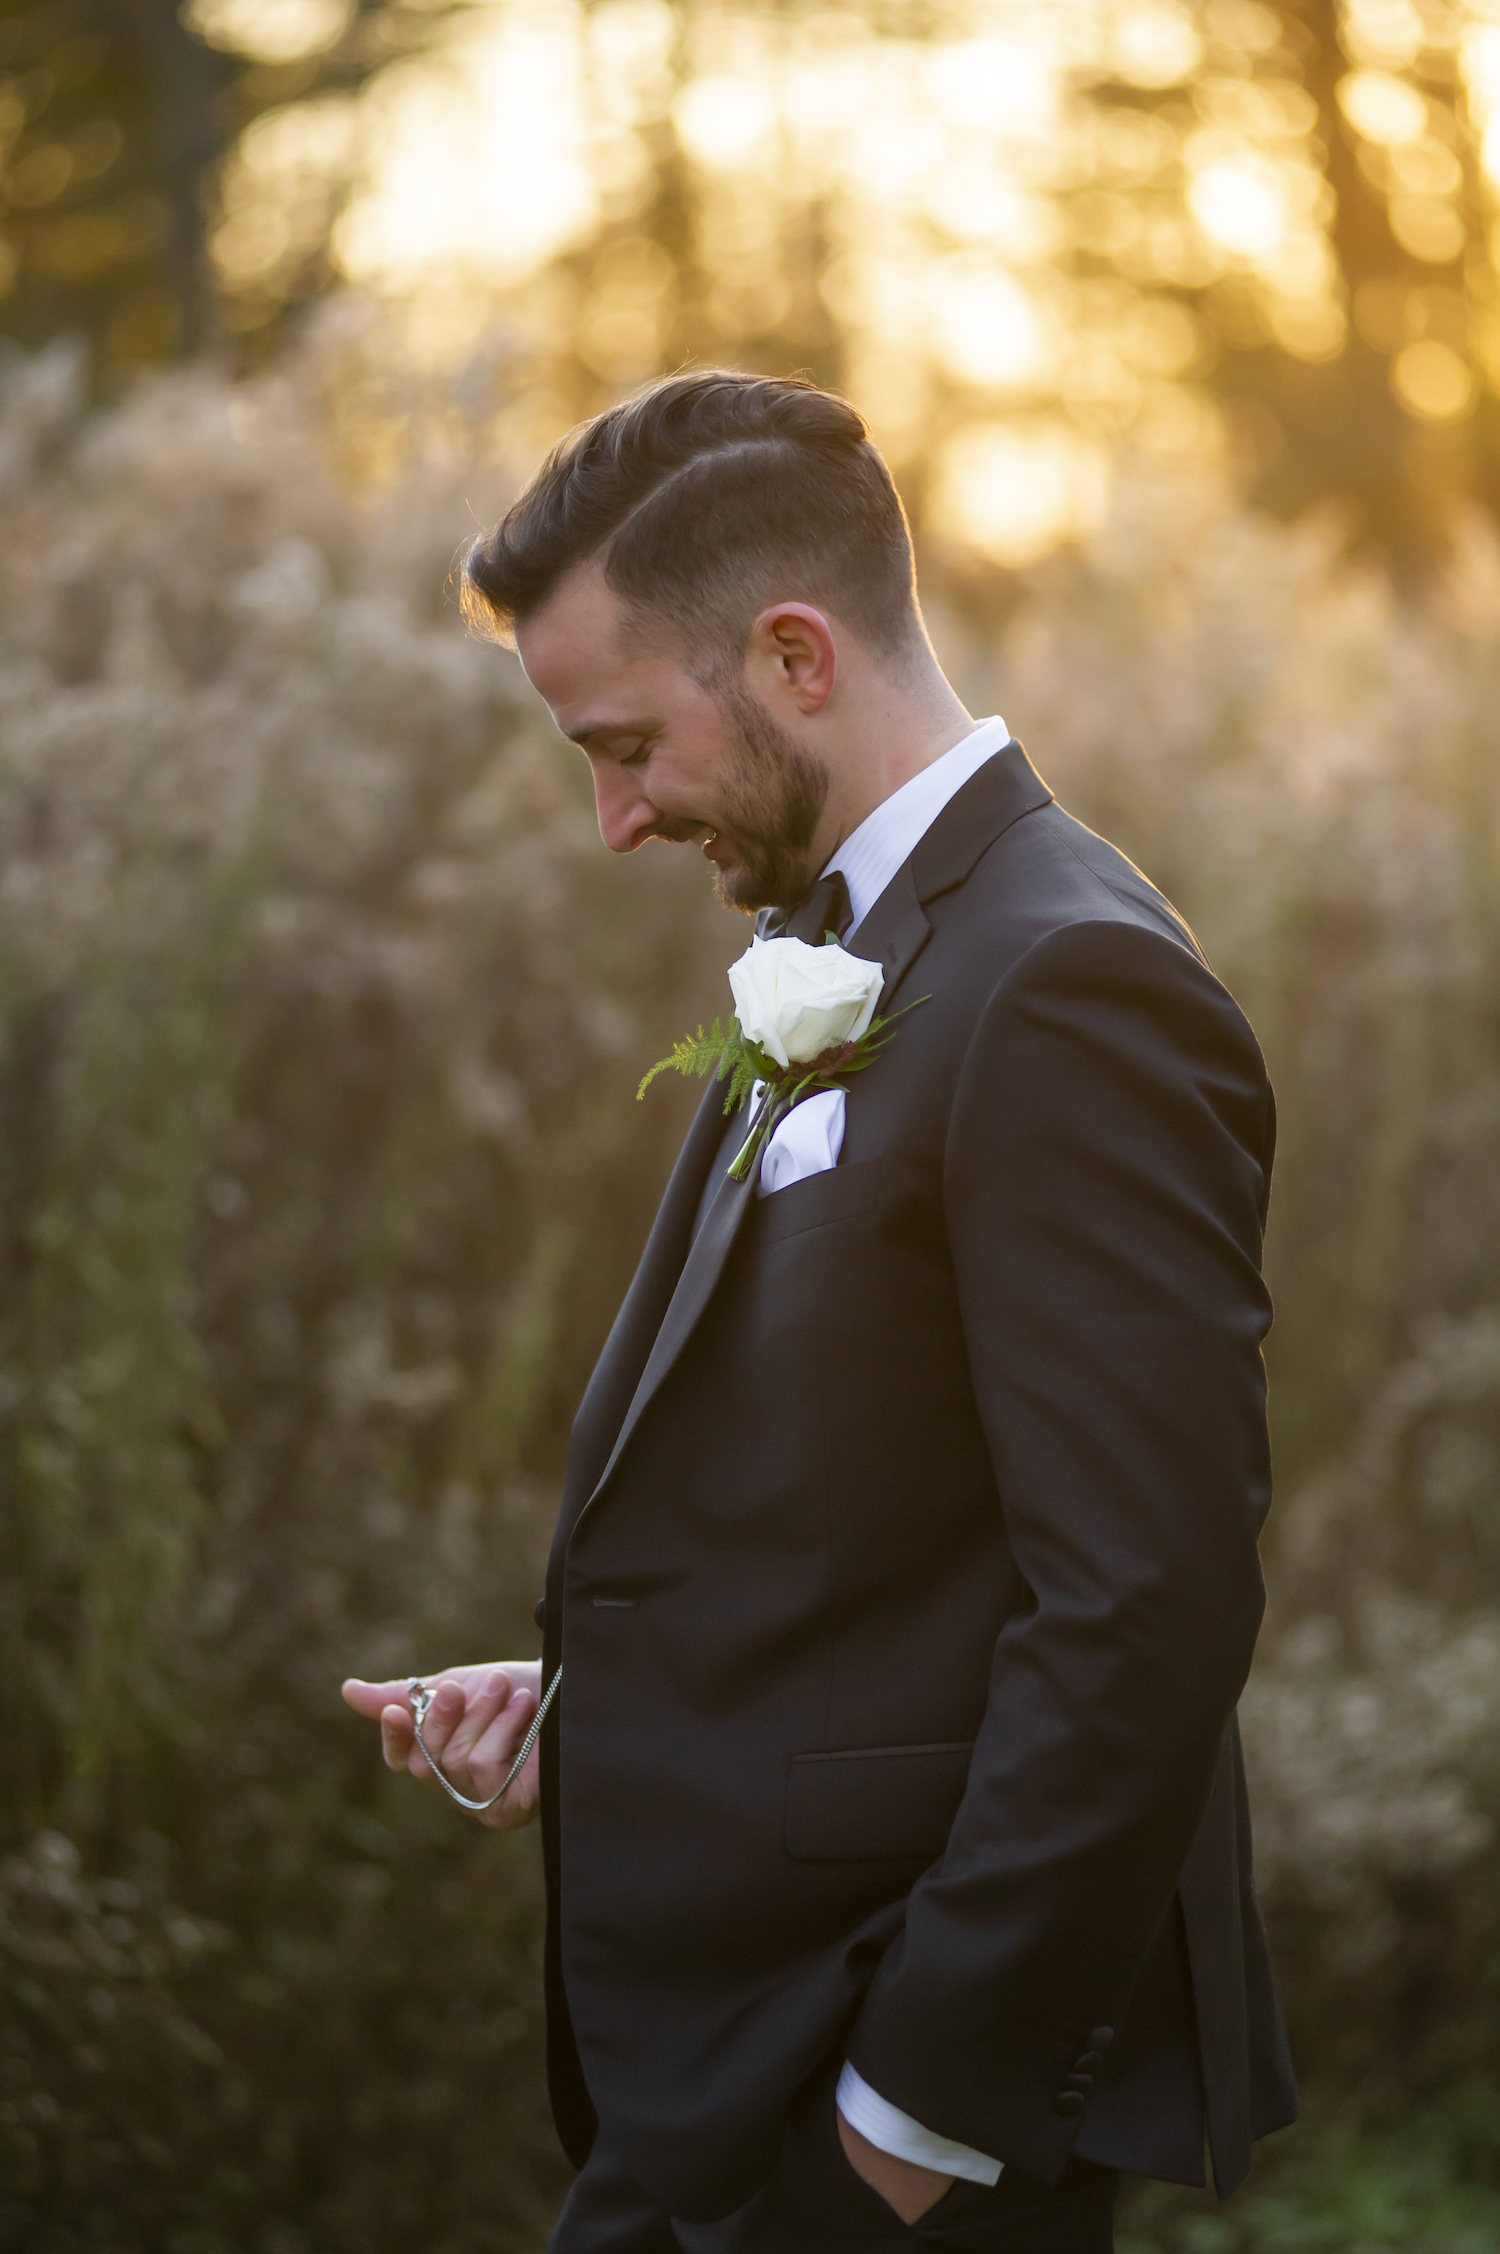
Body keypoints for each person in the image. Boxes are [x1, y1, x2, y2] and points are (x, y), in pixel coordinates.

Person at [343, 371, 1296, 2253]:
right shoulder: (854, 944)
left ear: (792, 654)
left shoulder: (1068, 981)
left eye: (624, 746)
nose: (616, 821)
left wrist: (900, 2134)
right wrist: (612, 1706)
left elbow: (1144, 1606)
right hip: (738, 2063)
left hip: (871, 2104)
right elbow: (893, 1517)